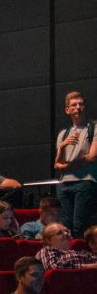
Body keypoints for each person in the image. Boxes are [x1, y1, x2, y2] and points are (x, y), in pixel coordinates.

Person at [55, 90, 96, 235]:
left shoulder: (93, 127)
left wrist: (67, 166)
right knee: (66, 226)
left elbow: (91, 157)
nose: (78, 107)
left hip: (85, 182)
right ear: (67, 110)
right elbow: (57, 164)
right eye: (74, 105)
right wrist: (63, 146)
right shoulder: (63, 134)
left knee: (81, 225)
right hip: (64, 184)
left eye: (81, 104)